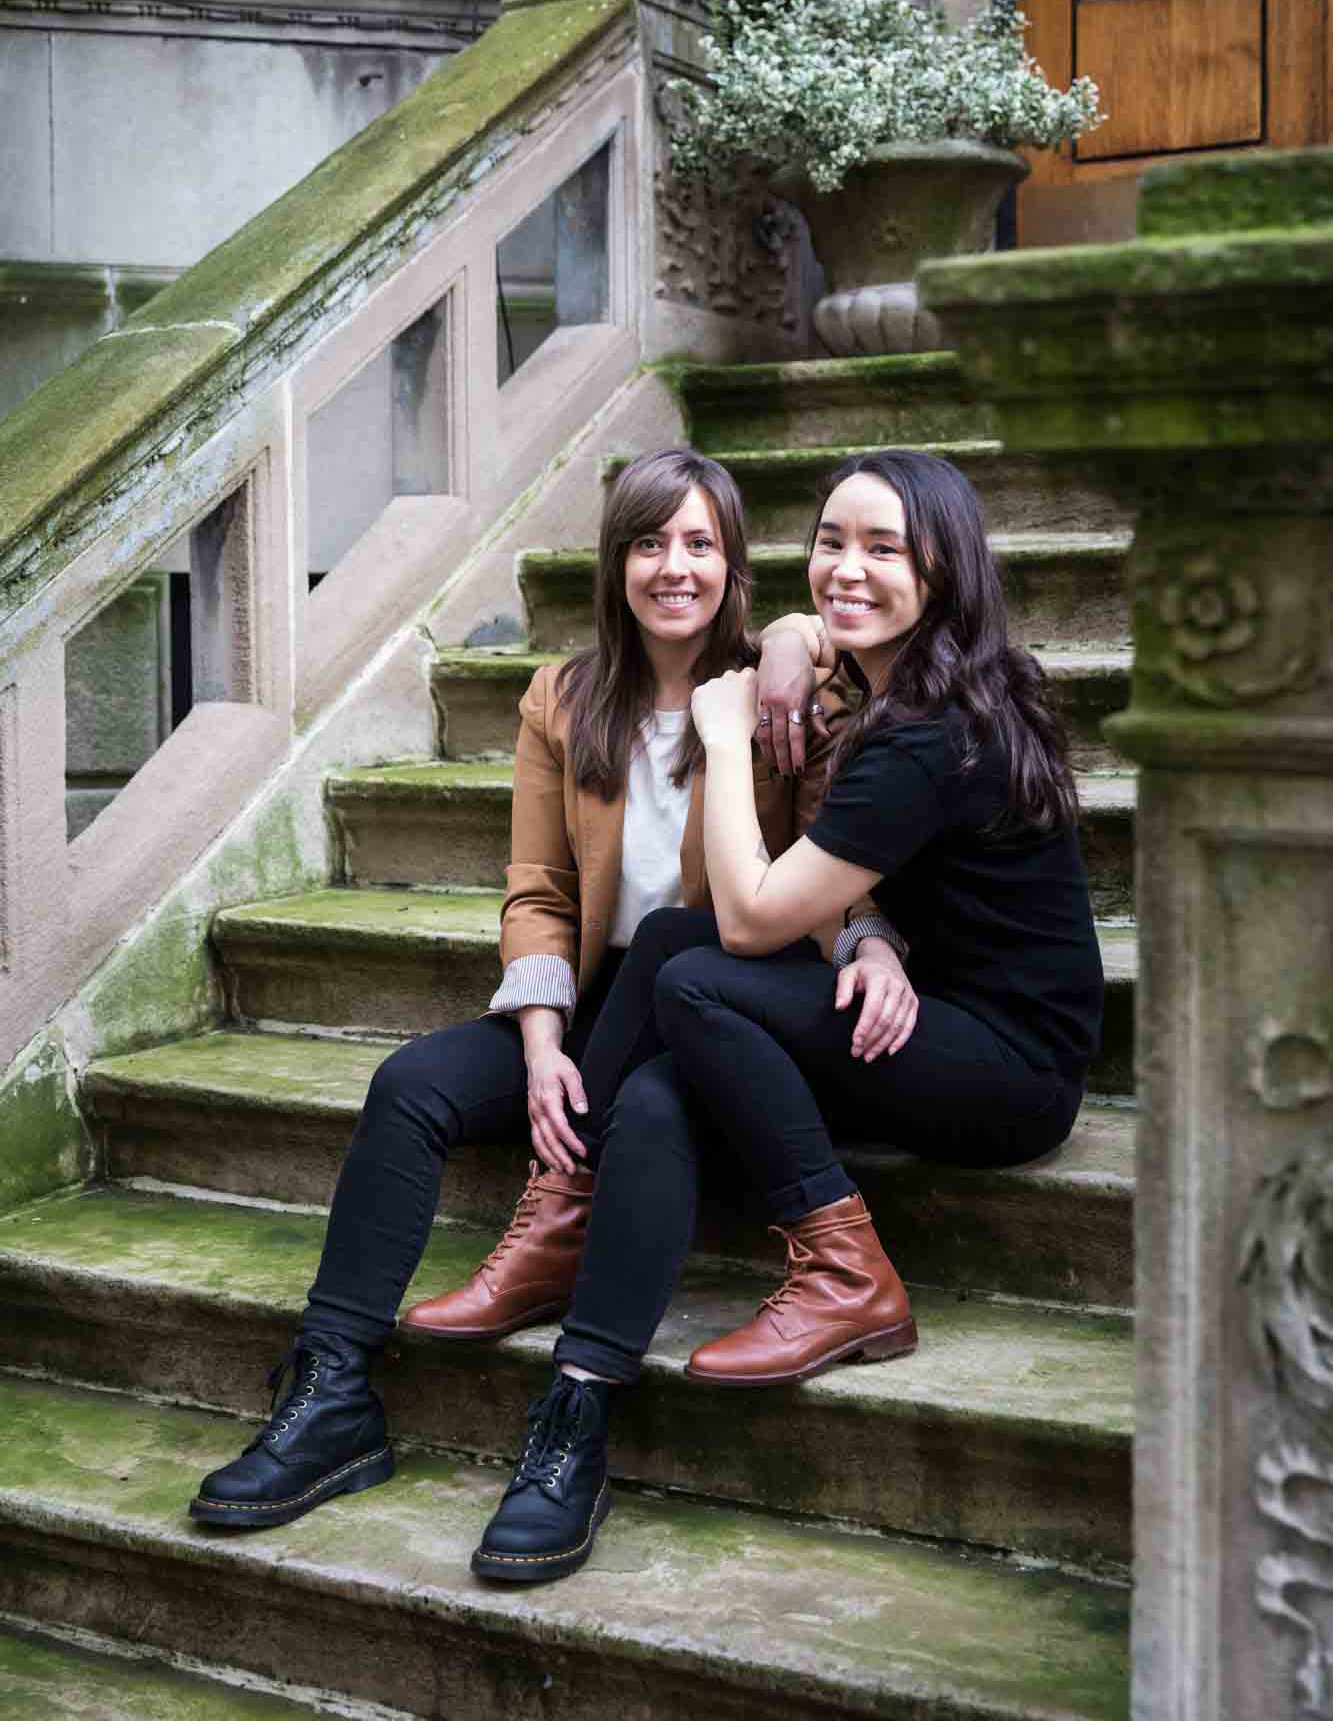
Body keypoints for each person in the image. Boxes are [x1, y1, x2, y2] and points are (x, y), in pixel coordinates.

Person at [188, 445, 898, 1534]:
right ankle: (332, 1391)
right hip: (600, 995)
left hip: (721, 998)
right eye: (651, 541)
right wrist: (538, 1039)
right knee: (410, 1083)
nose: (676, 566)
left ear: (733, 560)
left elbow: (833, 861)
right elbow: (538, 891)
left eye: (701, 543)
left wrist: (871, 945)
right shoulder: (560, 698)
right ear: (616, 560)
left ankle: (574, 1417)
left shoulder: (781, 688)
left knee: (654, 1100)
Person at [471, 448, 1103, 1583]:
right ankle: (572, 1202)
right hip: (934, 1008)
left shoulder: (919, 737)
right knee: (669, 963)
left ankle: (842, 1269)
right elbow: (811, 637)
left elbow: (756, 917)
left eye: (883, 549)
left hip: (1009, 1069)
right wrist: (785, 653)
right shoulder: (930, 683)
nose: (845, 571)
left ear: (945, 570)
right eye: (829, 541)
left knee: (694, 971)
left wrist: (722, 738)